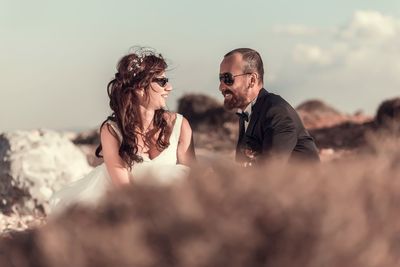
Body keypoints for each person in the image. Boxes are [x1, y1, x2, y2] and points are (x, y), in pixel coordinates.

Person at [50, 47, 195, 213]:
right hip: (126, 209)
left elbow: (192, 181)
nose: (169, 87)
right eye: (161, 81)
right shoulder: (111, 131)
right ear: (140, 88)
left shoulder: (180, 126)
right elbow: (124, 190)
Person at [219, 48, 319, 165]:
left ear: (252, 80)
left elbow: (270, 172)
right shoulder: (248, 114)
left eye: (227, 78)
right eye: (220, 79)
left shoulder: (276, 112)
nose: (221, 87)